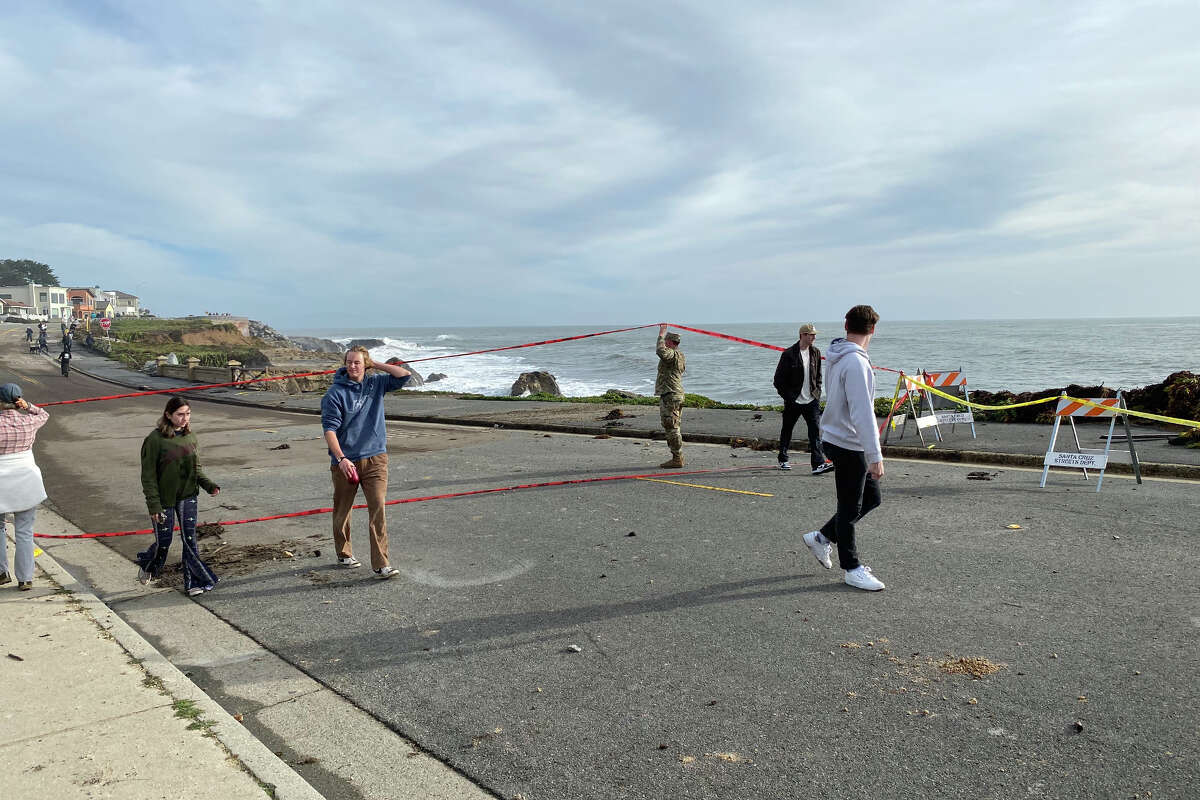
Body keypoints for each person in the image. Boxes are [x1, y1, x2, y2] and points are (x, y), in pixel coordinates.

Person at [801, 305, 887, 592]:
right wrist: (875, 457)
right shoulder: (856, 363)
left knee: (870, 498)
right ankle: (851, 568)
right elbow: (863, 413)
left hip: (837, 437)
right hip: (849, 443)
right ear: (872, 329)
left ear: (846, 325)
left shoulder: (839, 356)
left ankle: (822, 537)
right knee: (850, 507)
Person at [321, 345, 411, 579]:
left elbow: (404, 376)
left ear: (365, 365)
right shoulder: (334, 394)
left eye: (358, 362)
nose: (353, 366)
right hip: (346, 461)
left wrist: (376, 364)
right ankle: (343, 552)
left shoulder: (376, 383)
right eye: (349, 362)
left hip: (376, 458)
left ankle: (381, 564)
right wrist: (341, 459)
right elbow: (329, 430)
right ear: (344, 364)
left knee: (378, 508)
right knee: (342, 510)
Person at [136, 397, 221, 596]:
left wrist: (209, 485)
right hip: (163, 501)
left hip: (188, 496)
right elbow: (148, 477)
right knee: (163, 543)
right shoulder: (155, 440)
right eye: (180, 414)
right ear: (168, 415)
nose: (185, 418)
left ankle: (193, 584)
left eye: (188, 414)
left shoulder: (191, 438)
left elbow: (196, 469)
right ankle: (148, 565)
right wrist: (154, 506)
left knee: (190, 540)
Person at [0, 383, 49, 591]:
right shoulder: (29, 422)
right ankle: (26, 578)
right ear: (17, 402)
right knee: (24, 531)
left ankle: (2, 572)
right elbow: (44, 414)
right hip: (26, 480)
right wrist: (28, 406)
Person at [773, 323, 834, 475]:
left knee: (815, 433)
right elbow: (778, 380)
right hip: (794, 401)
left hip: (811, 400)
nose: (814, 337)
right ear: (803, 335)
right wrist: (789, 397)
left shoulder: (815, 352)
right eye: (811, 334)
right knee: (787, 430)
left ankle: (817, 464)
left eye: (814, 335)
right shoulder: (788, 354)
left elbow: (818, 376)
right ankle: (783, 458)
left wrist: (817, 392)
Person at [655, 324, 686, 468]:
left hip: (670, 394)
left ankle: (677, 458)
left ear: (671, 343)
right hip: (674, 394)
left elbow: (661, 351)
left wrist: (661, 333)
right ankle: (677, 456)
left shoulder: (672, 354)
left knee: (672, 427)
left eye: (666, 341)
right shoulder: (680, 355)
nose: (665, 343)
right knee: (672, 426)